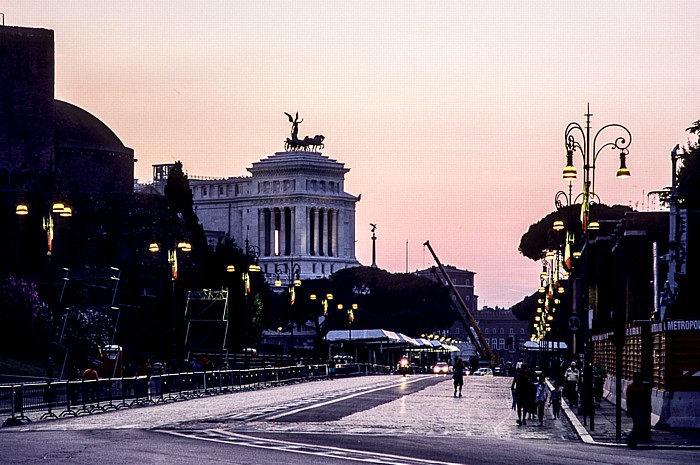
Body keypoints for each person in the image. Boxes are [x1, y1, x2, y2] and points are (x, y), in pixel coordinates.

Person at [626, 372, 646, 448]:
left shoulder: (640, 386)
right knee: (638, 425)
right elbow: (629, 399)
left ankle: (631, 440)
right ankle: (631, 440)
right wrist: (629, 409)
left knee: (637, 425)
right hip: (634, 408)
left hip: (639, 407)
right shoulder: (632, 387)